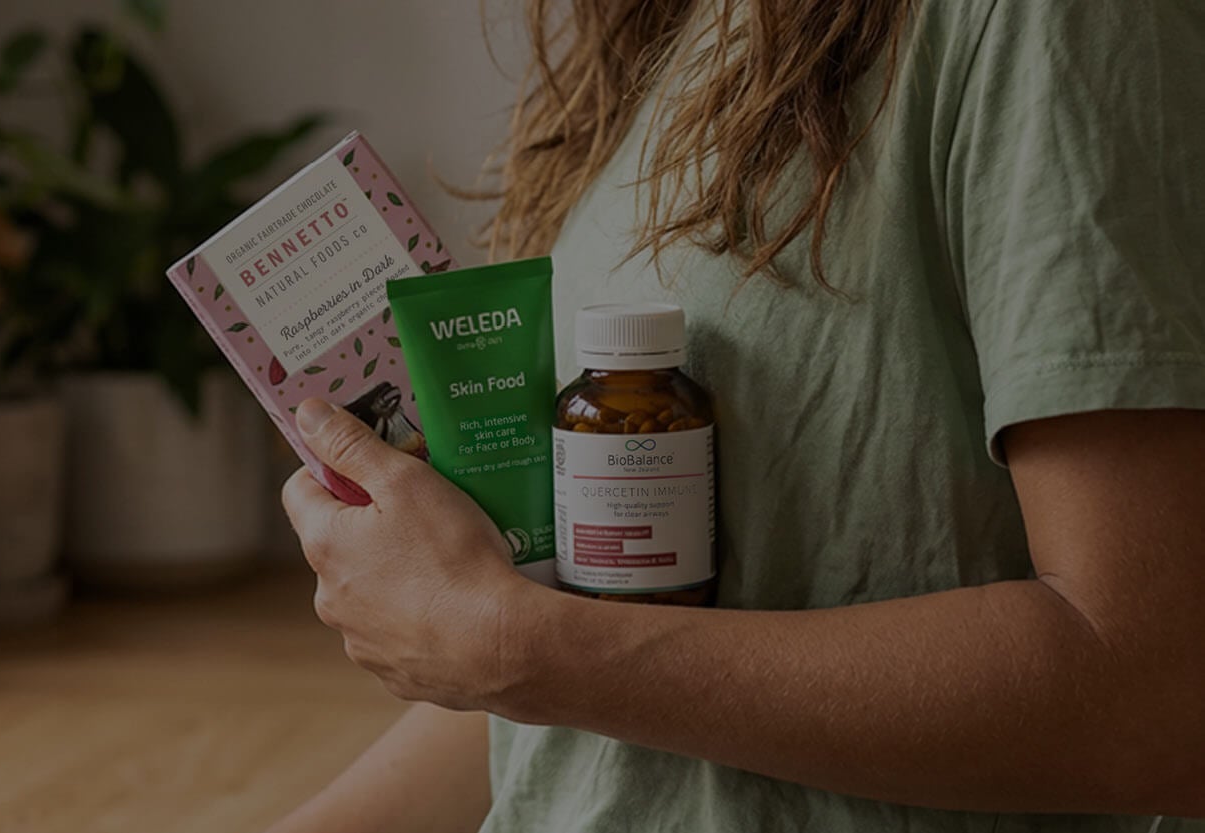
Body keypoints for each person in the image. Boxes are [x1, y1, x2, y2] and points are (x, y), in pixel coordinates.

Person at [269, 2, 1205, 831]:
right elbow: (592, 679)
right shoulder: (668, 34)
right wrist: (490, 638)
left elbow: (1158, 691)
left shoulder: (1051, 22)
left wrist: (521, 646)